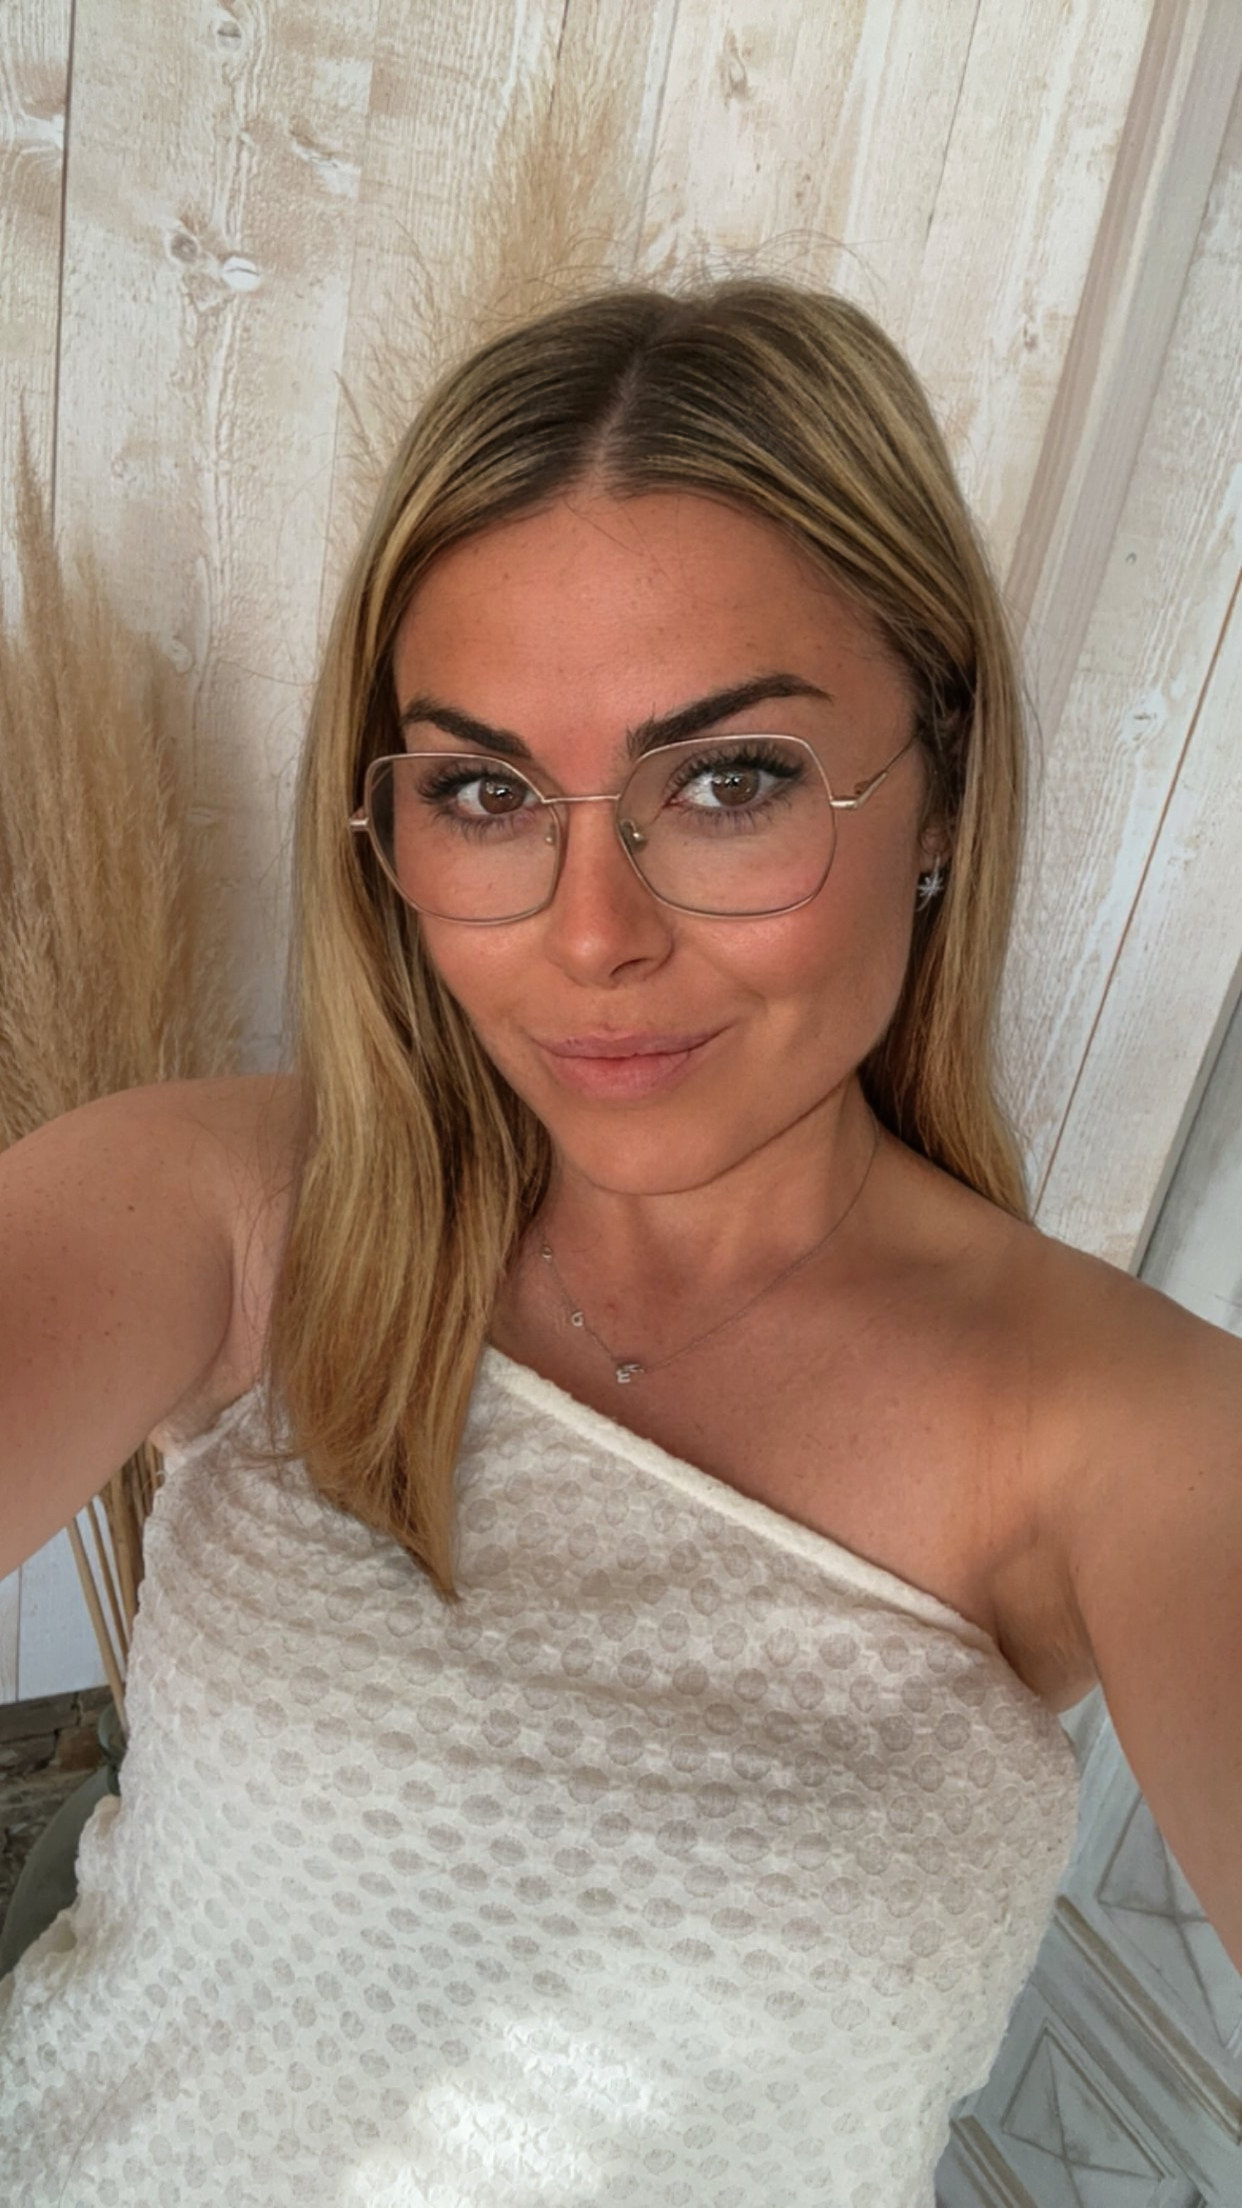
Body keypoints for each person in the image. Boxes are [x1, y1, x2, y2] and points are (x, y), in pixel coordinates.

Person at [1, 279, 1238, 2206]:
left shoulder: (1124, 1432)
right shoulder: (246, 1208)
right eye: (485, 793)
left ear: (939, 790)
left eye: (728, 781)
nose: (591, 936)